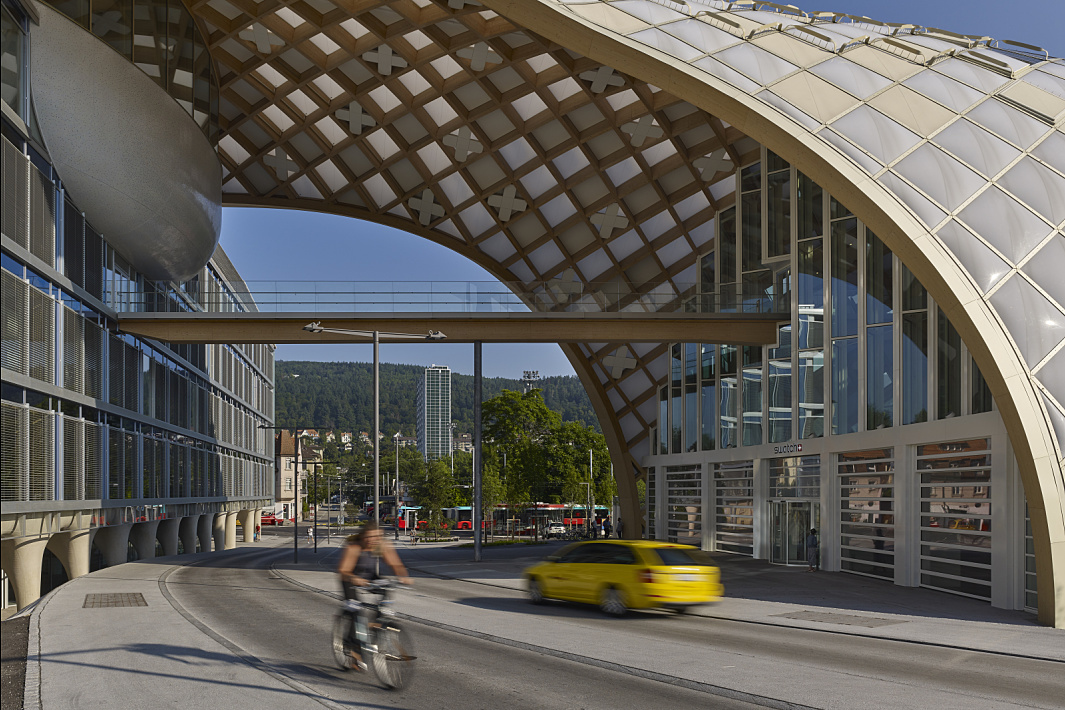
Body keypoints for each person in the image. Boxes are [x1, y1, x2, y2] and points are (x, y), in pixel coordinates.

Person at [337, 522, 411, 670]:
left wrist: (403, 576)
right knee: (356, 609)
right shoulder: (354, 547)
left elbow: (396, 564)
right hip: (350, 578)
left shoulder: (381, 546)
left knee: (386, 589)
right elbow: (344, 570)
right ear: (363, 536)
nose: (373, 540)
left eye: (377, 536)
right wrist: (354, 578)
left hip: (370, 576)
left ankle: (377, 625)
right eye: (370, 537)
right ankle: (352, 647)